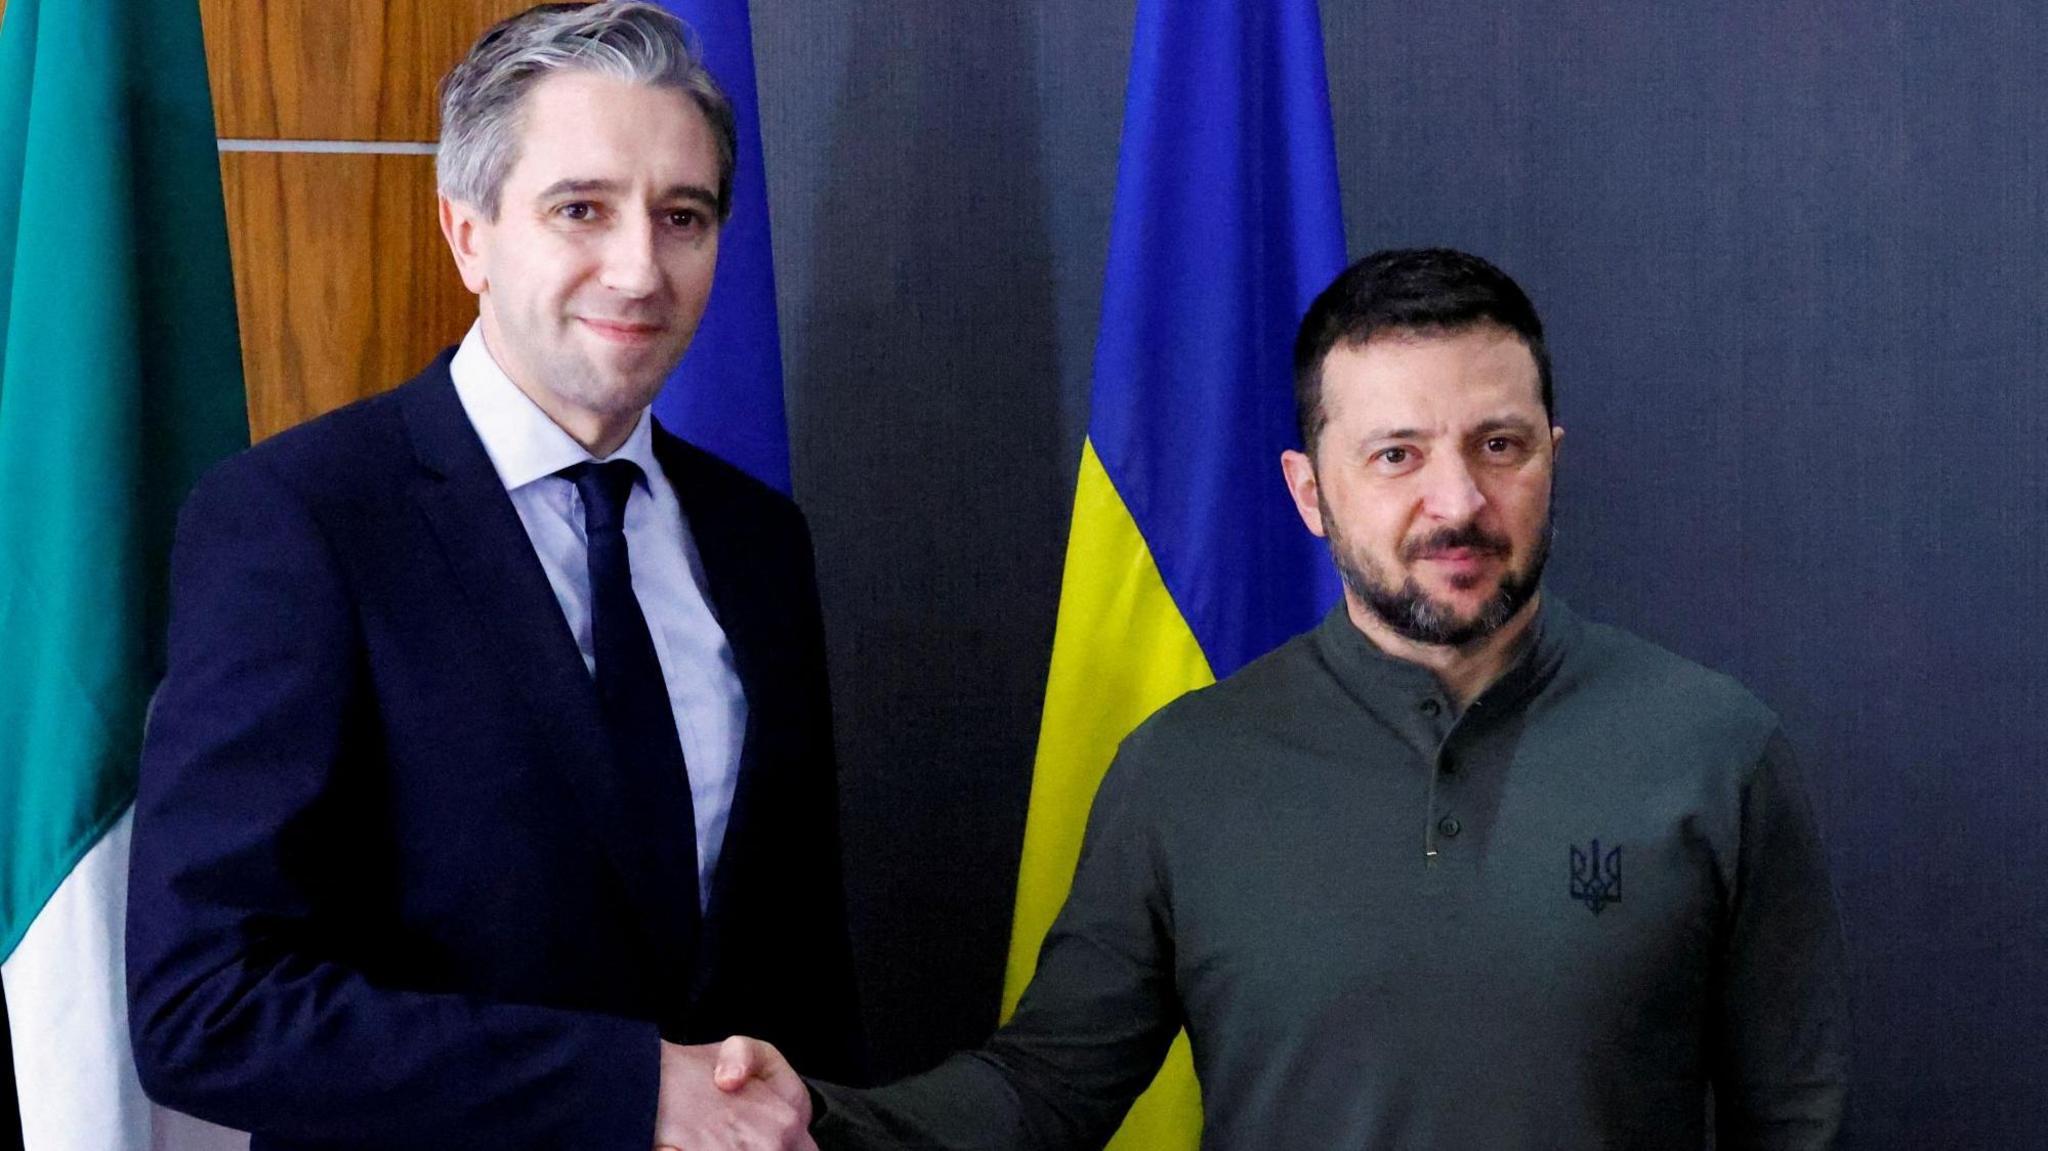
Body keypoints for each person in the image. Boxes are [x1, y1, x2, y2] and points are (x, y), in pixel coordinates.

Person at [717, 248, 1850, 1149]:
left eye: (1497, 444)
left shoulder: (1712, 747)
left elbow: (1795, 1120)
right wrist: (816, 1117)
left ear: (1550, 456)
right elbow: (1044, 1090)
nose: (1455, 499)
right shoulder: (1182, 769)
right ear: (1308, 492)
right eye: (1395, 455)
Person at [126, 4, 853, 1148]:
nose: (639, 268)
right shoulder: (299, 521)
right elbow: (205, 1005)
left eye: (683, 216)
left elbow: (791, 959)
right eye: (581, 209)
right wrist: (625, 1088)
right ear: (467, 232)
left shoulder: (759, 538)